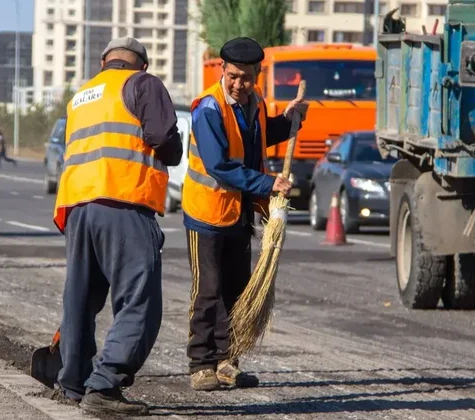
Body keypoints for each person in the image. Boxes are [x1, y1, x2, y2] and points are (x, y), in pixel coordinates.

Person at [51, 37, 182, 415]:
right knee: (139, 300)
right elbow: (162, 139)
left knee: (80, 299)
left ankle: (73, 382)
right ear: (142, 64)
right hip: (123, 202)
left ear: (104, 61)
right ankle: (105, 386)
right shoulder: (143, 84)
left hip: (78, 206)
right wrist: (174, 150)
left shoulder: (81, 96)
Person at [181, 37, 309, 392]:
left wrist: (289, 120)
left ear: (257, 75)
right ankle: (201, 363)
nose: (239, 84)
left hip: (238, 214)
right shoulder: (209, 108)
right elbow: (219, 165)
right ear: (222, 70)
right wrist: (268, 184)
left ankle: (227, 361)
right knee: (207, 290)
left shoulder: (255, 103)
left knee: (236, 290)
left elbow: (259, 137)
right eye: (233, 76)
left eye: (247, 78)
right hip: (206, 214)